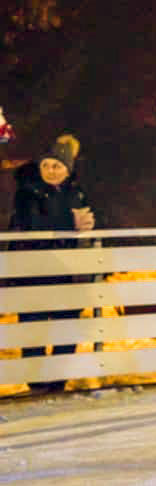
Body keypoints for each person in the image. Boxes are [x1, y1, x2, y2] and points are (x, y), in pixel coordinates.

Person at [9, 134, 94, 394]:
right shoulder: (28, 192)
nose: (51, 170)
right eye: (46, 165)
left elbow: (91, 218)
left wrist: (91, 223)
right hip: (33, 270)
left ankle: (58, 381)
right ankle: (36, 383)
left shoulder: (76, 192)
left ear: (68, 169)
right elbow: (33, 225)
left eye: (57, 166)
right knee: (33, 325)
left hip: (67, 270)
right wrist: (71, 223)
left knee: (66, 324)